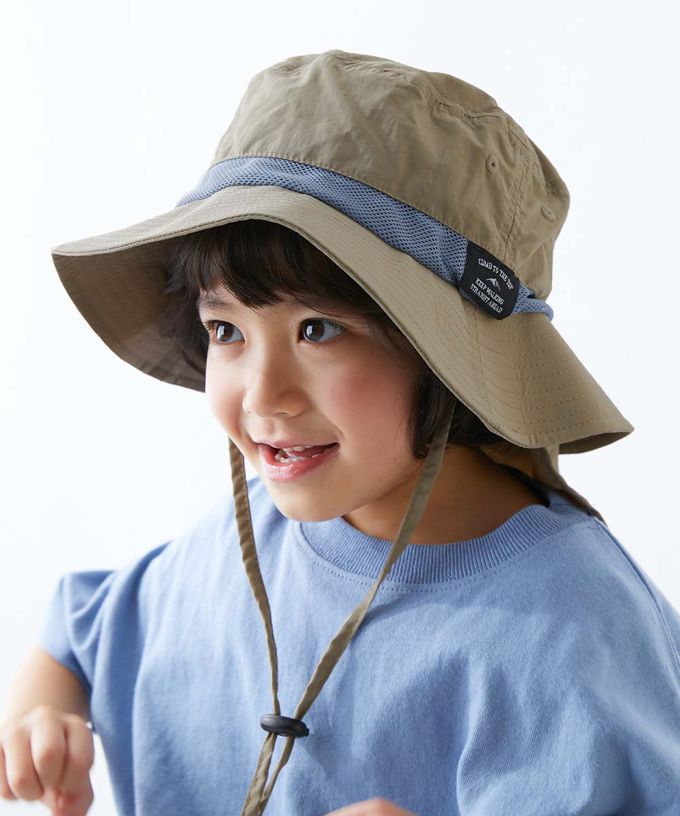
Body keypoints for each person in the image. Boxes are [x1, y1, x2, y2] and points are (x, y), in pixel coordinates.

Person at [1, 49, 679, 816]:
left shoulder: (574, 630)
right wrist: (40, 714)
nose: (263, 394)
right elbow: (80, 631)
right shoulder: (248, 539)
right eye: (226, 330)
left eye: (318, 329)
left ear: (448, 358)